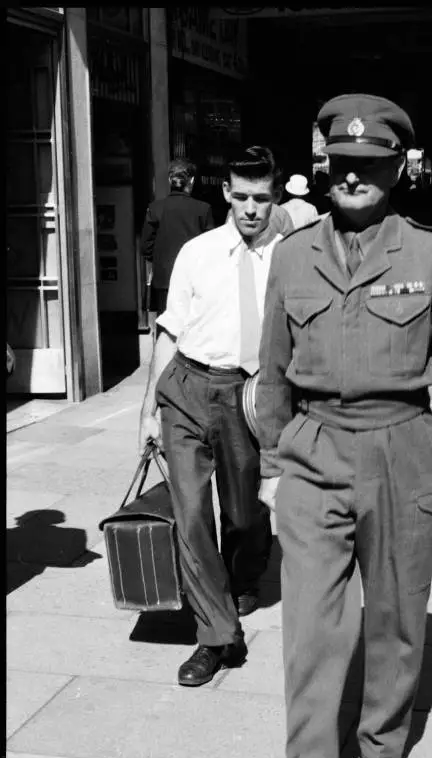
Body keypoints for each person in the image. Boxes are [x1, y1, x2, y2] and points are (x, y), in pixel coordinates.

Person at [255, 94, 432, 758]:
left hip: (402, 450)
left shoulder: (431, 255)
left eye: (370, 166)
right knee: (311, 632)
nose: (354, 178)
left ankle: (382, 745)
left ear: (397, 169)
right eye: (342, 165)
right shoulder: (292, 255)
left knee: (395, 616)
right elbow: (269, 373)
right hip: (313, 451)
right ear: (325, 167)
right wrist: (270, 462)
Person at [138, 146, 284, 688]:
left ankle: (246, 572)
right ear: (225, 192)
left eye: (261, 199)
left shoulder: (291, 258)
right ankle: (216, 635)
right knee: (193, 514)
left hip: (250, 397)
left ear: (274, 199)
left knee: (246, 517)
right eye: (241, 197)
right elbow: (170, 329)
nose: (250, 209)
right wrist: (149, 410)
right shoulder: (197, 252)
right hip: (187, 389)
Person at [140, 158, 215, 319]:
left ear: (169, 180)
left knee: (166, 327)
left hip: (164, 279)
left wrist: (160, 260)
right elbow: (212, 248)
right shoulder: (203, 209)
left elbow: (145, 246)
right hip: (196, 279)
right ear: (192, 180)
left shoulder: (156, 208)